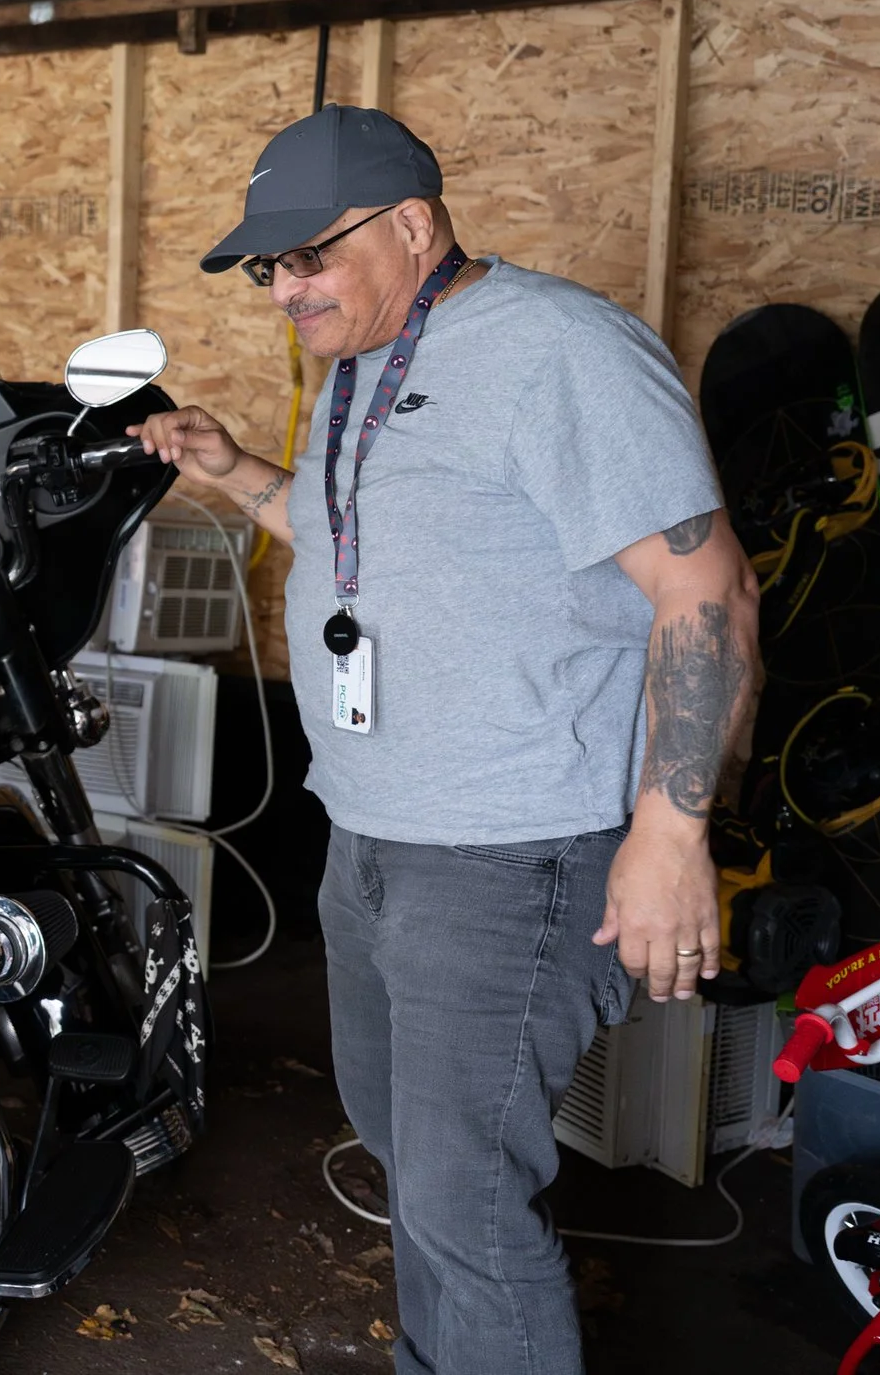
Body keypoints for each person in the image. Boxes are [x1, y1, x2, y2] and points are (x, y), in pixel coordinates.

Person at [130, 105, 761, 1374]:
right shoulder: (363, 357)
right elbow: (379, 553)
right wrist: (238, 470)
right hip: (371, 834)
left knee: (463, 1199)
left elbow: (709, 591)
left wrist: (668, 830)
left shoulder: (556, 349)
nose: (283, 291)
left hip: (510, 851)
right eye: (267, 267)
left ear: (413, 226)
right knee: (414, 1165)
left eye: (306, 257)